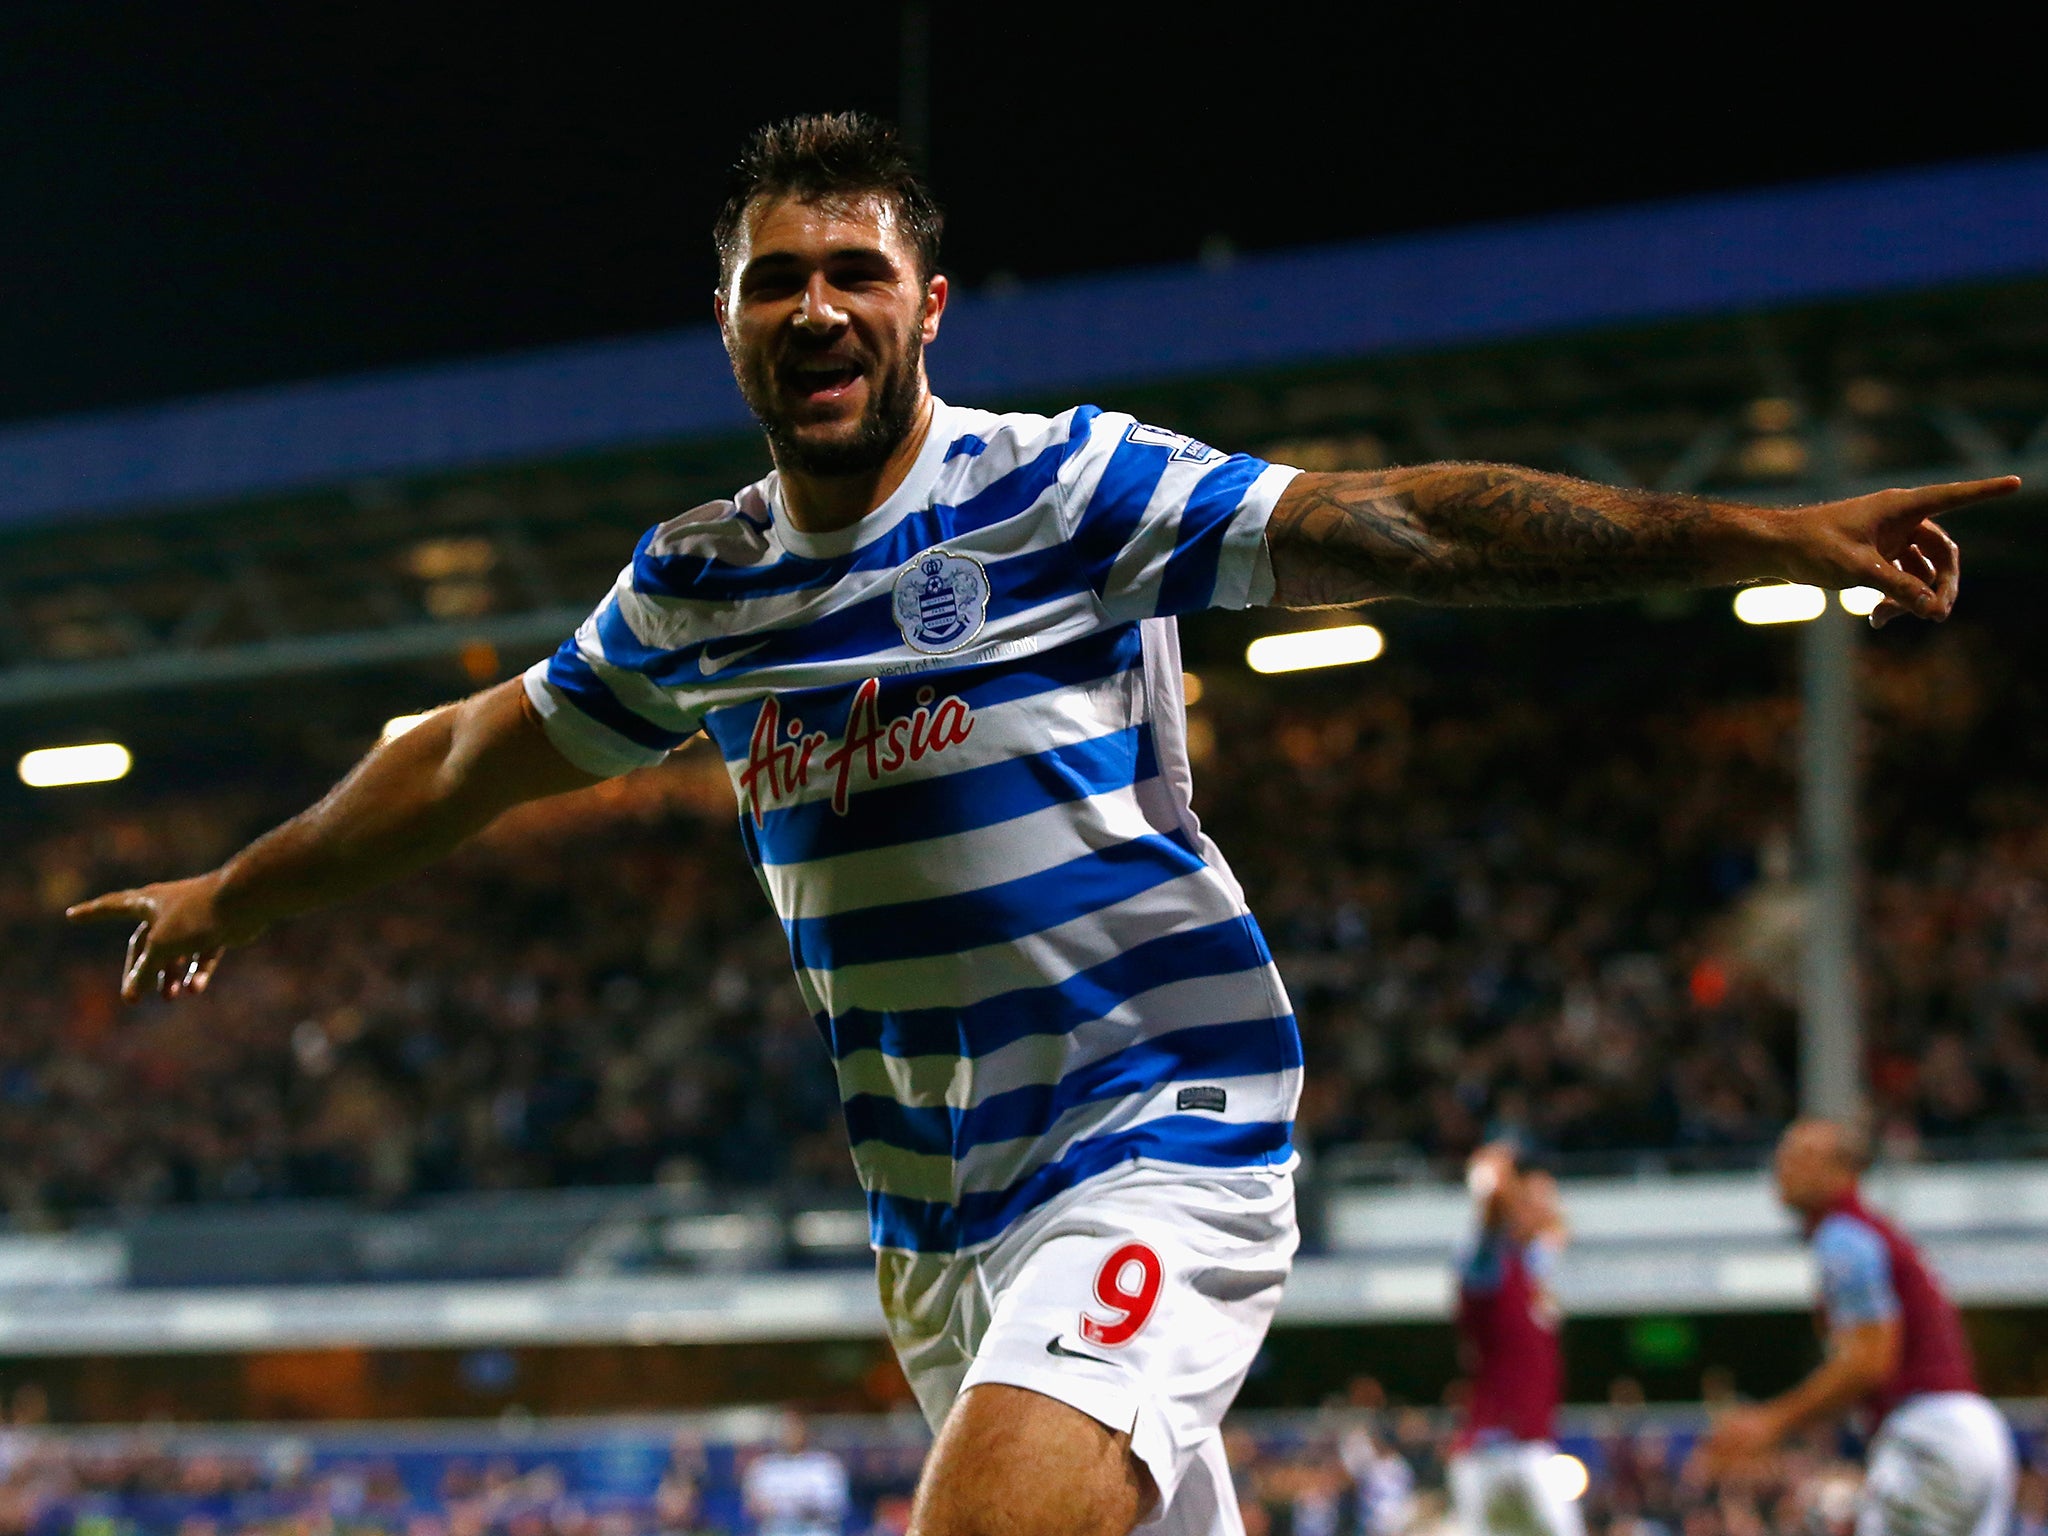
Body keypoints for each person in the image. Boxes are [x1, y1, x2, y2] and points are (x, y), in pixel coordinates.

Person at [68, 111, 2011, 1536]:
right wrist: (241, 881)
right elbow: (467, 758)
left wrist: (1757, 532)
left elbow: (1394, 523)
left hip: (1158, 1131)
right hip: (938, 1215)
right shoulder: (696, 588)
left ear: (927, 301)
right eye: (775, 279)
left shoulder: (1067, 490)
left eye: (853, 272)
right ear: (725, 322)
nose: (815, 307)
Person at [1693, 1120, 2015, 1536]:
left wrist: (1770, 1421)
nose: (1781, 1167)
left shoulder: (1843, 1237)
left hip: (1927, 1436)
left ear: (1843, 1170)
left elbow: (1869, 1364)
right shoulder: (1873, 1232)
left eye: (1798, 1155)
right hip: (1972, 1433)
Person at [1448, 1144, 1581, 1536]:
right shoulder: (1487, 1267)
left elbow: (1553, 1240)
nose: (1549, 1210)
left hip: (1525, 1449)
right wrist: (1492, 1188)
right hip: (1498, 1455)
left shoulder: (1529, 1273)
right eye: (1536, 1200)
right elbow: (1488, 1231)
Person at [742, 1413, 850, 1536]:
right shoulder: (764, 1466)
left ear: (805, 1431)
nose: (791, 1434)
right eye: (787, 1429)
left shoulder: (825, 1465)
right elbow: (751, 1506)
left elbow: (836, 1505)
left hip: (814, 1531)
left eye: (795, 1429)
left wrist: (796, 1505)